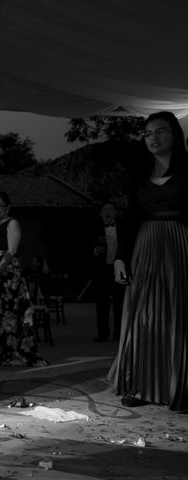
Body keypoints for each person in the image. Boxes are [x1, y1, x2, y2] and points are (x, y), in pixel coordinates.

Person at [109, 111, 188, 411]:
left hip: (179, 248)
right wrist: (120, 259)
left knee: (176, 315)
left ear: (175, 135)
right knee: (143, 315)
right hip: (143, 248)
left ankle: (178, 385)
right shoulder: (139, 177)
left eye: (159, 131)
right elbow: (128, 221)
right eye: (147, 133)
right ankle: (139, 384)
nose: (152, 137)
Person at [0, 191, 46, 367]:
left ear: (8, 207)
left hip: (6, 274)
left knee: (9, 312)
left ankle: (13, 352)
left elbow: (12, 250)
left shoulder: (12, 223)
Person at [91, 201, 125, 342]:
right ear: (101, 213)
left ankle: (119, 333)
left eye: (111, 209)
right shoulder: (94, 228)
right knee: (101, 303)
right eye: (105, 209)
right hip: (102, 270)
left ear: (116, 212)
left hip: (119, 268)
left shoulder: (123, 228)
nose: (108, 212)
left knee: (120, 303)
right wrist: (95, 250)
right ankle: (103, 333)